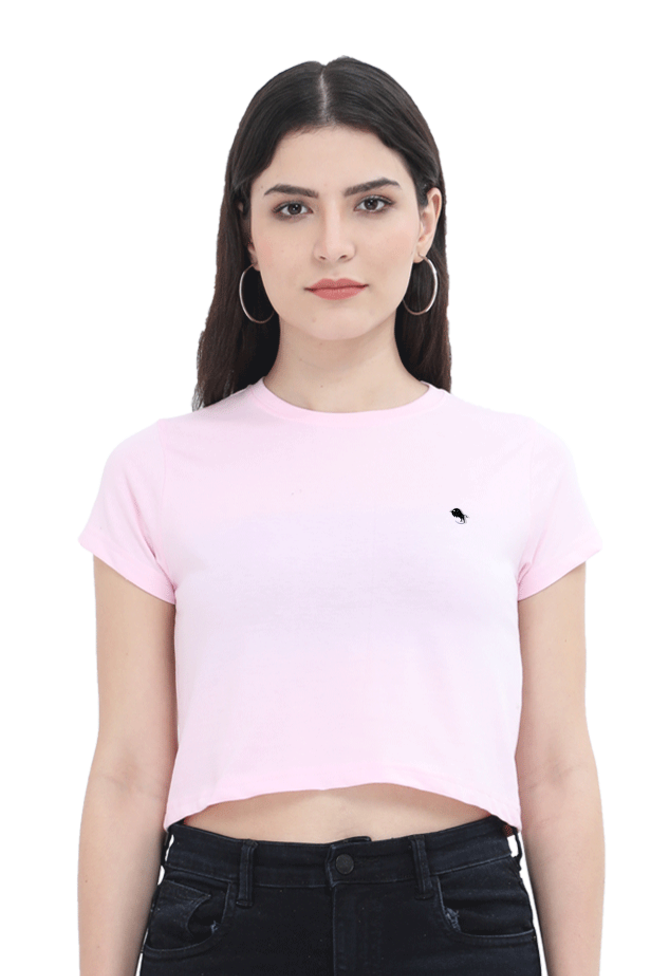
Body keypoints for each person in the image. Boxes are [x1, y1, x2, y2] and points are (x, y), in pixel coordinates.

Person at [76, 56, 605, 975]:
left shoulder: (522, 462)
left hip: (459, 919)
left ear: (425, 220)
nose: (332, 246)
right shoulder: (152, 470)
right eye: (292, 208)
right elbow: (126, 770)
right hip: (222, 922)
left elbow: (556, 765)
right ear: (246, 232)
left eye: (370, 204)